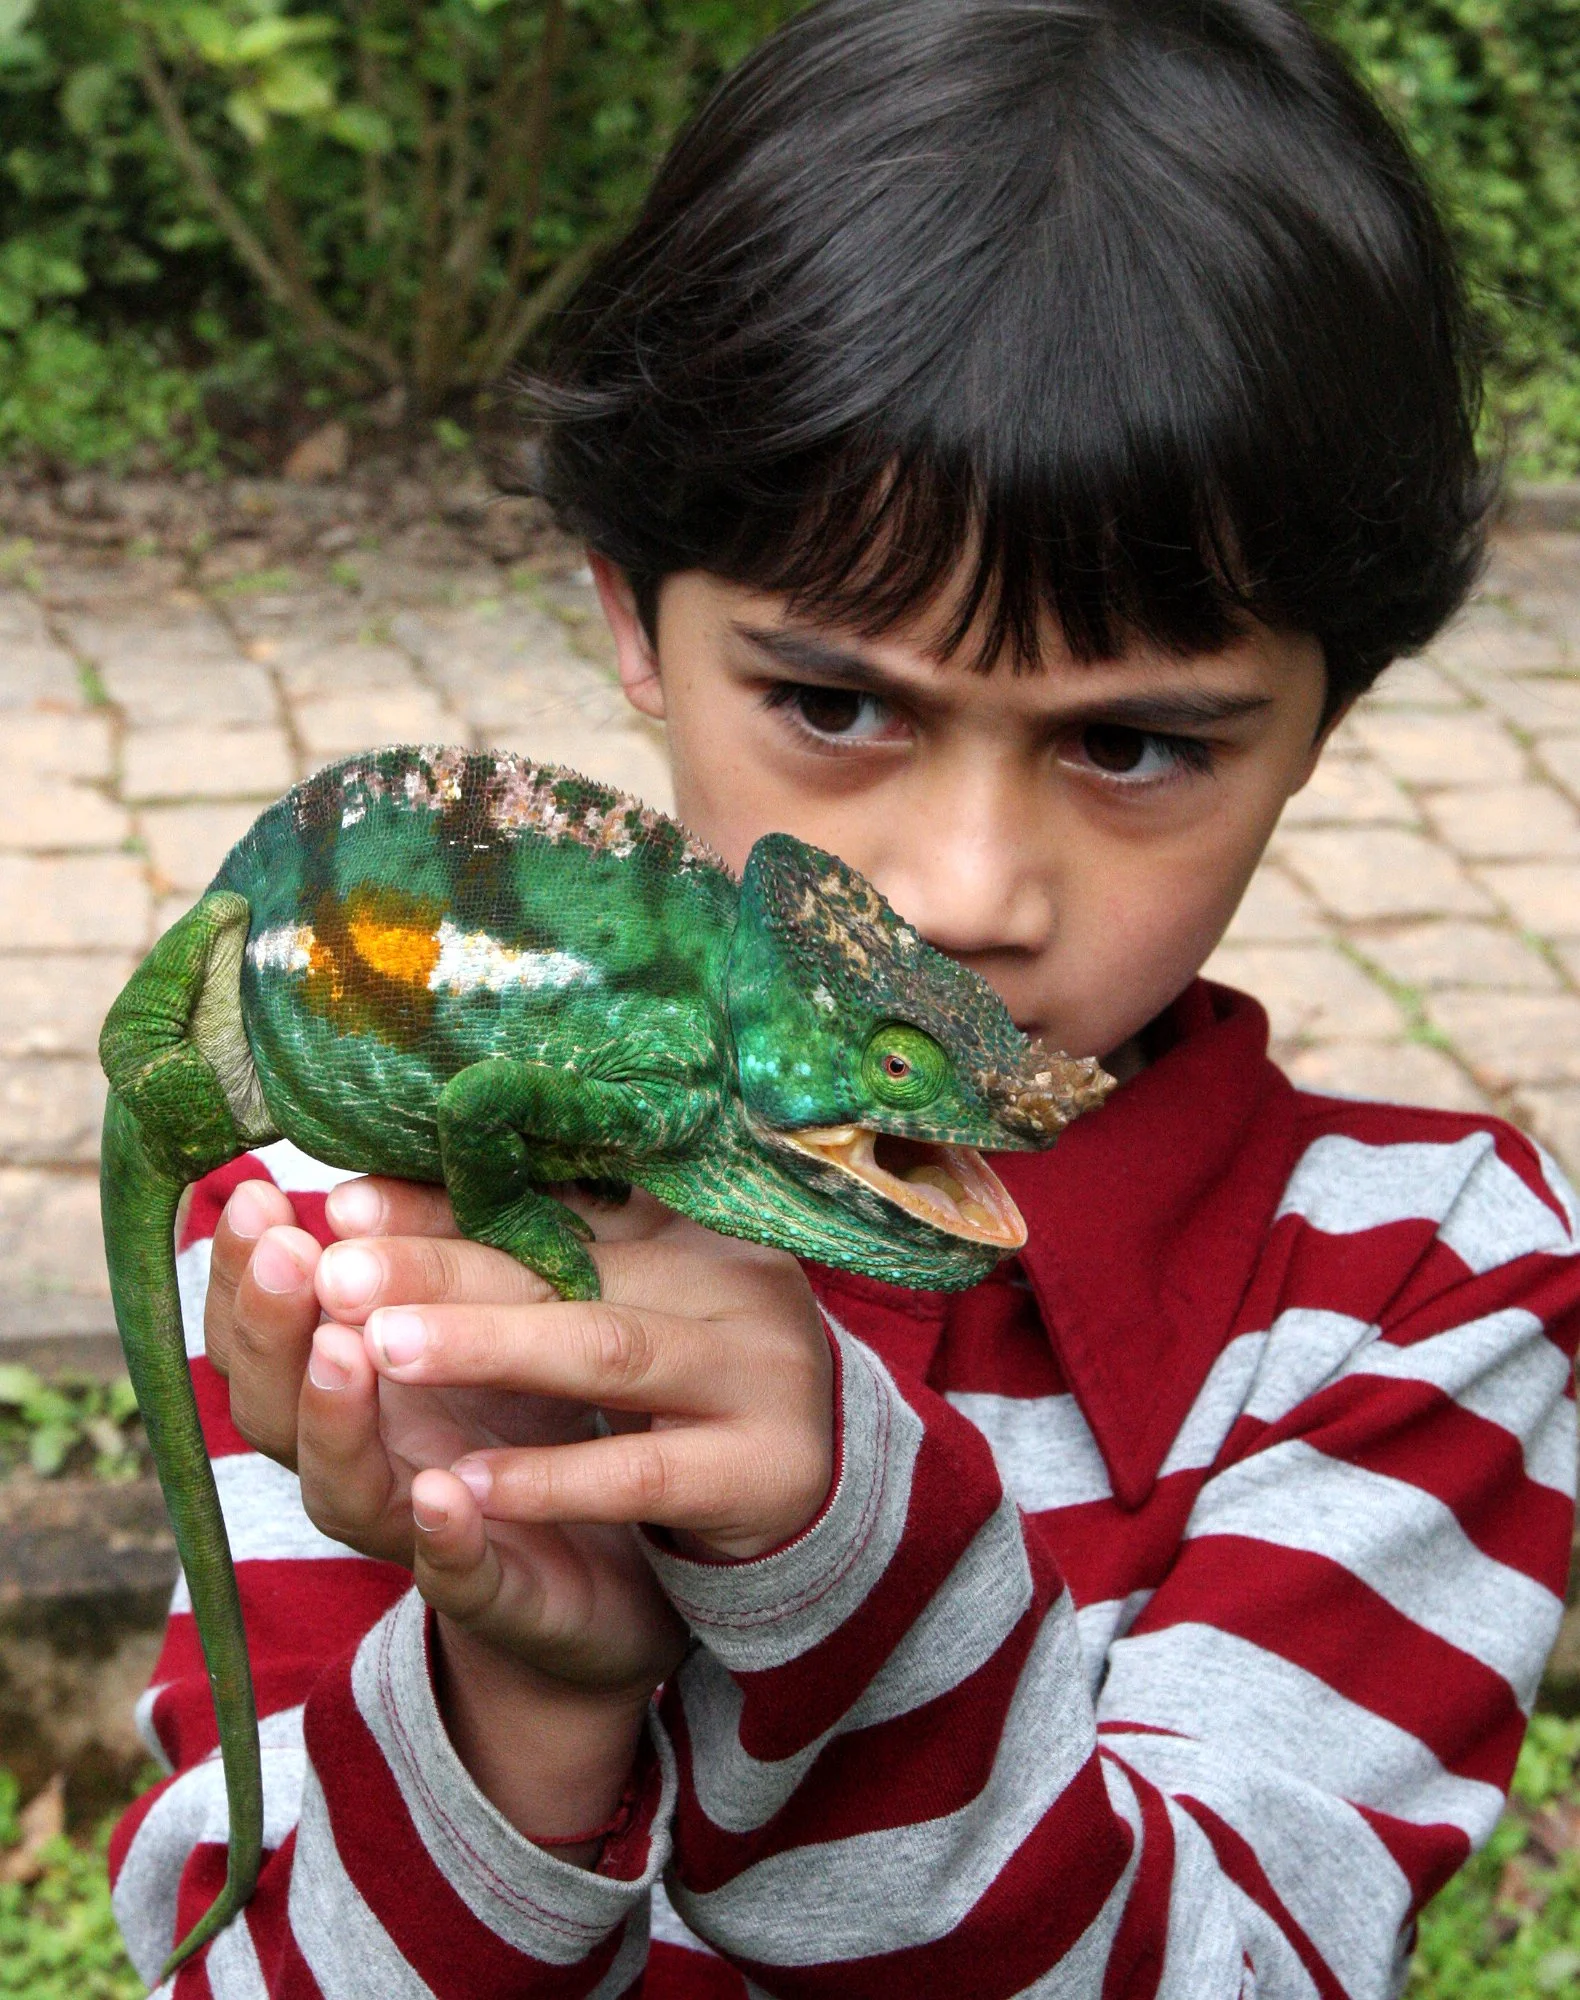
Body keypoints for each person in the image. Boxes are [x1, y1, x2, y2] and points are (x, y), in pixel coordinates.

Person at [109, 1, 1580, 1993]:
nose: (964, 889)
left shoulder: (1425, 1290)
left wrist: (846, 1574)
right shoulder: (365, 1224)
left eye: (1136, 741)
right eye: (831, 702)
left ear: (1330, 715)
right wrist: (521, 1685)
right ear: (633, 619)